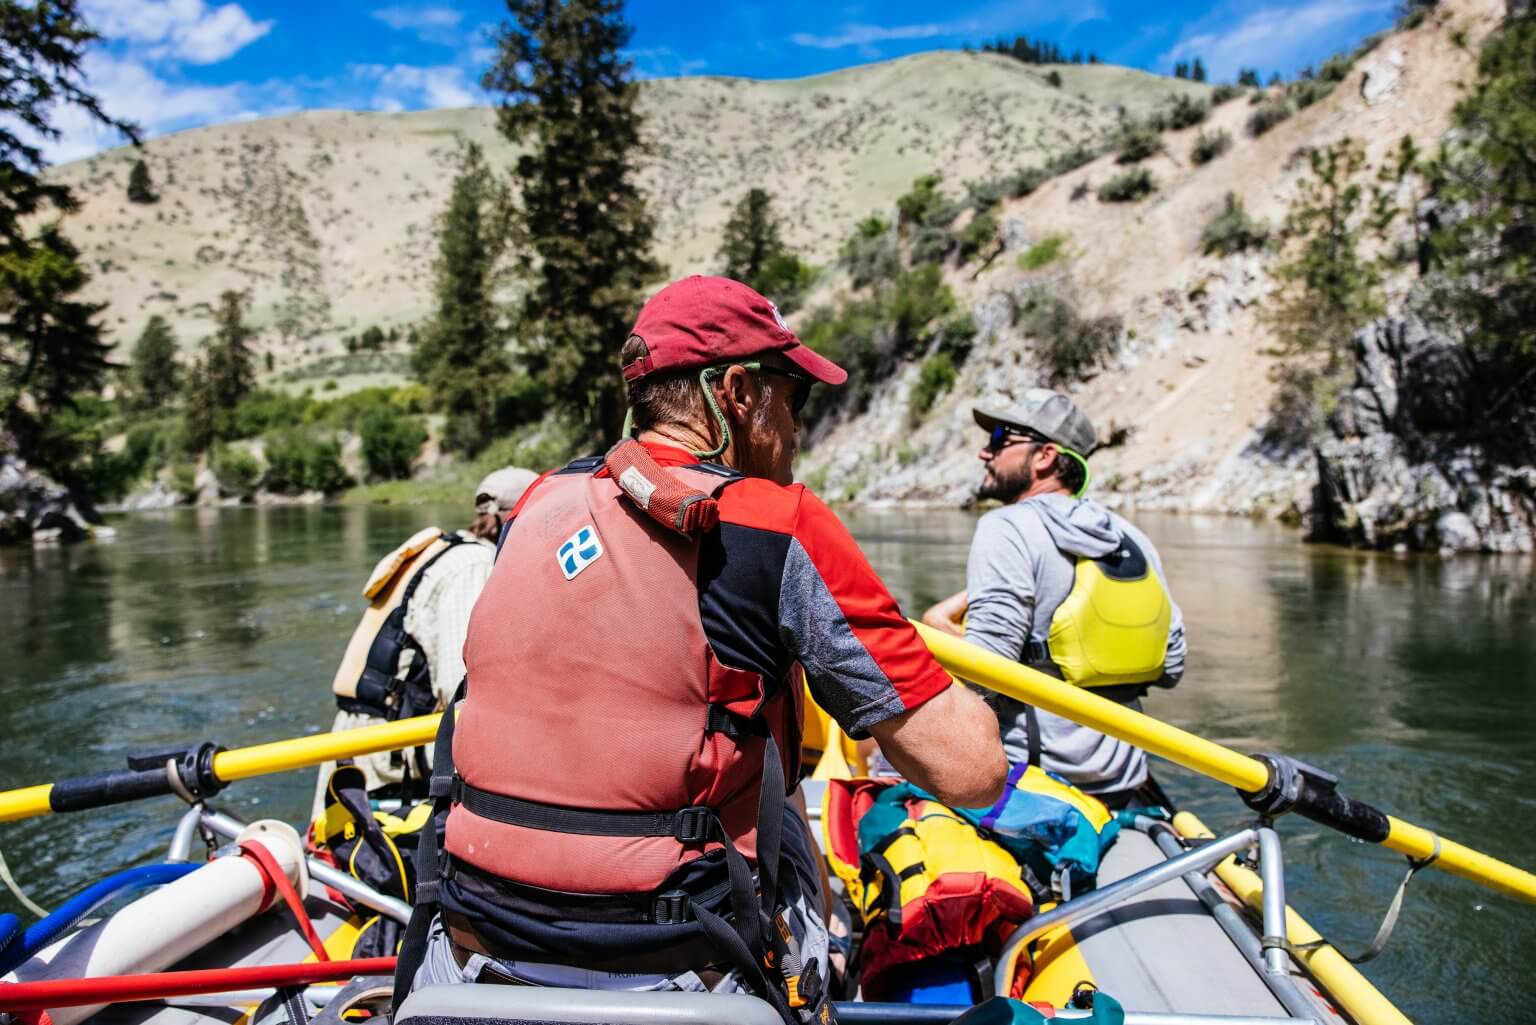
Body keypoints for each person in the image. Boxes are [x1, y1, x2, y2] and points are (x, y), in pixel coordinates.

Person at [399, 276, 1006, 1022]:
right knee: (796, 835)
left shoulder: (536, 503)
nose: (798, 425)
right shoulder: (781, 525)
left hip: (467, 944)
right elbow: (972, 772)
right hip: (678, 967)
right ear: (740, 393)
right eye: (797, 396)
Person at [922, 389, 1186, 808]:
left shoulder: (1005, 527)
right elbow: (1171, 666)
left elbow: (985, 672)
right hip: (1123, 776)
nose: (984, 453)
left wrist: (937, 627)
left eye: (998, 439)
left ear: (1044, 456)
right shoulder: (1132, 536)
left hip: (1036, 781)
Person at [315, 469, 535, 811]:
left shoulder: (447, 550)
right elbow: (459, 687)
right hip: (380, 764)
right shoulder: (473, 567)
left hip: (358, 747)